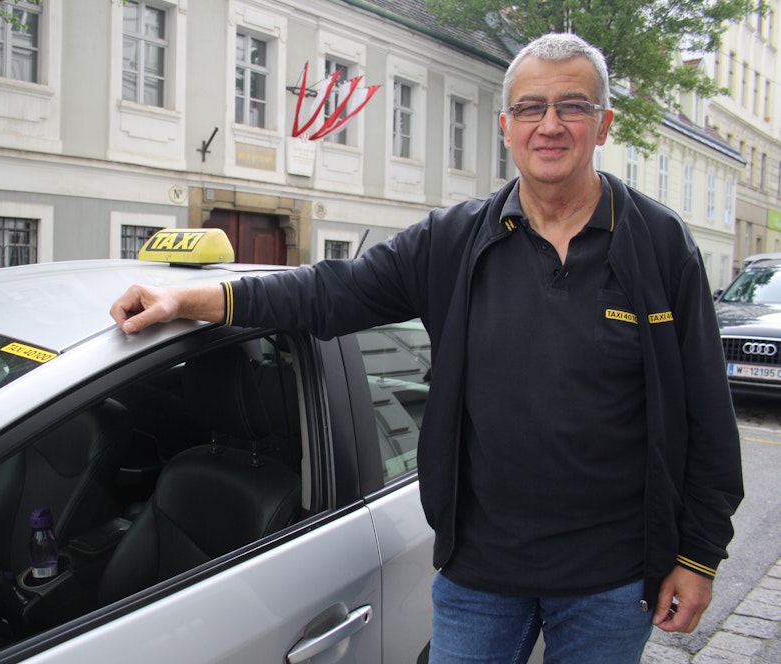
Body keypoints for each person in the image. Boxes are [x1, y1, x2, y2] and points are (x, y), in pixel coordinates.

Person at [110, 33, 743, 664]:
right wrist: (186, 301)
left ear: (603, 123)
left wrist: (697, 557)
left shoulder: (660, 247)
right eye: (530, 108)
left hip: (610, 578)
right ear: (506, 126)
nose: (549, 125)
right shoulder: (453, 241)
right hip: (479, 572)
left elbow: (707, 416)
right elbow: (330, 293)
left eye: (571, 106)